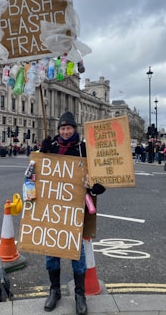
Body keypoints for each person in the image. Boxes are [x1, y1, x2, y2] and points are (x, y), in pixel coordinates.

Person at [40, 111, 105, 315]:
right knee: (52, 251)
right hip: (53, 207)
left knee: (77, 254)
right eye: (62, 128)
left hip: (76, 209)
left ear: (75, 129)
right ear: (58, 130)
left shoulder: (83, 149)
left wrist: (96, 186)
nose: (65, 131)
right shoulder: (51, 147)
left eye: (69, 128)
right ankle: (54, 290)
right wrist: (42, 154)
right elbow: (35, 173)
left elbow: (97, 175)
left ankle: (79, 294)